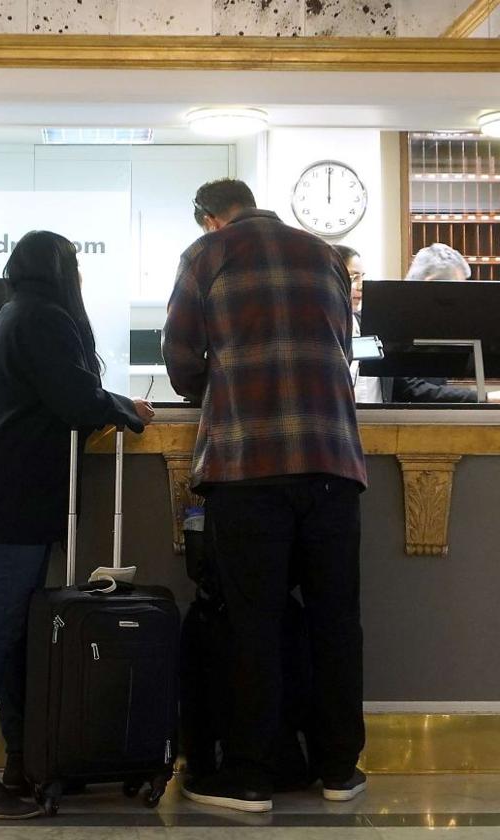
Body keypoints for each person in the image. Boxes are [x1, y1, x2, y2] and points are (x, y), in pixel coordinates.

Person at [164, 179, 368, 813]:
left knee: (253, 622)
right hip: (333, 464)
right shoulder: (325, 254)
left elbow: (179, 363)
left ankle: (251, 776)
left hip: (249, 467)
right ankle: (339, 770)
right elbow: (340, 344)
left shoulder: (208, 255)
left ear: (209, 218)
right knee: (337, 622)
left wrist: (228, 384)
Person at [0, 230, 154, 820]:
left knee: (12, 633)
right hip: (20, 499)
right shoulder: (45, 317)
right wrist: (126, 410)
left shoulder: (16, 311)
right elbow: (74, 399)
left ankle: (17, 757)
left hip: (5, 494)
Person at [389, 243, 499, 402]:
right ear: (431, 283)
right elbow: (409, 389)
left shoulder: (434, 322)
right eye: (455, 289)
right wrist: (484, 398)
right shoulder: (398, 321)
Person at [333, 245, 383, 404]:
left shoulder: (373, 325)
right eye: (354, 277)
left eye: (362, 277)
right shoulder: (317, 333)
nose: (361, 286)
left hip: (380, 423)